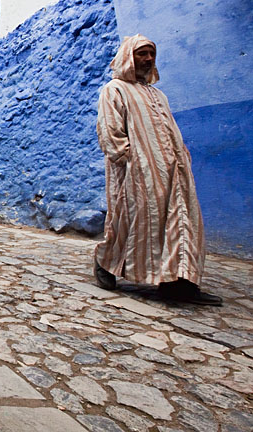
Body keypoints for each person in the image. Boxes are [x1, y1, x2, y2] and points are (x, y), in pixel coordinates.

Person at [93, 34, 221, 305]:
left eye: (151, 54)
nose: (148, 59)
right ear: (129, 56)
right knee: (132, 221)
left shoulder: (157, 94)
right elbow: (110, 131)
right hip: (137, 171)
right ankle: (106, 263)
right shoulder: (114, 89)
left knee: (180, 220)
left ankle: (176, 283)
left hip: (173, 171)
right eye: (142, 53)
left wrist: (180, 158)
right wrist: (129, 158)